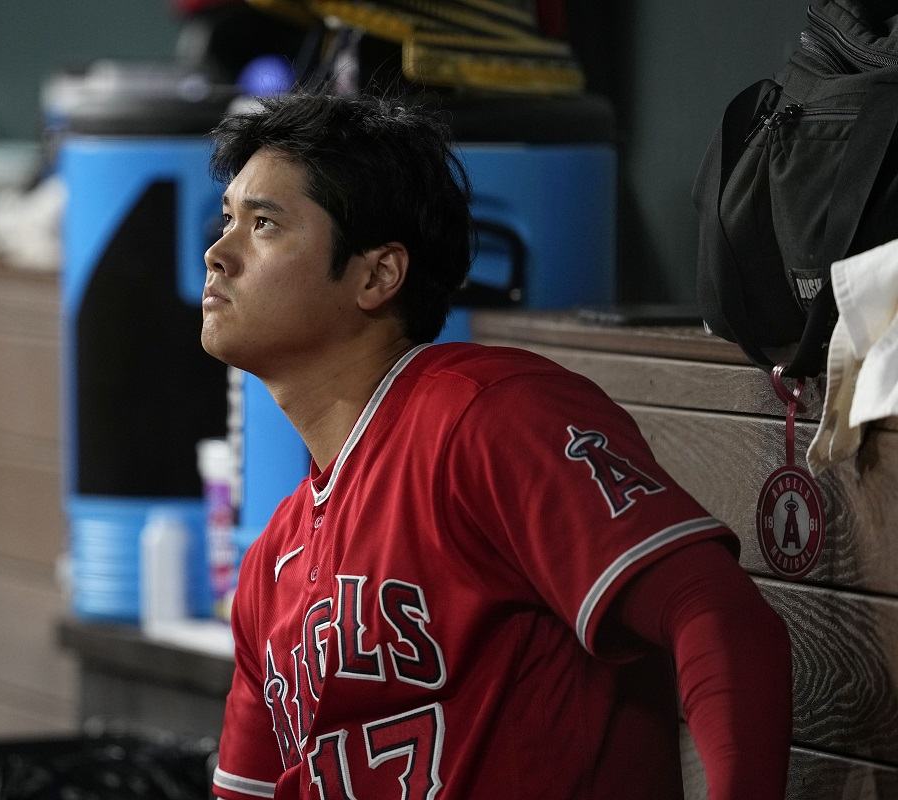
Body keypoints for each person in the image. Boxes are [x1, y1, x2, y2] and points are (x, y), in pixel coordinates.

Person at [200, 92, 791, 800]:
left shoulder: (487, 416)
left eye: (264, 224)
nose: (217, 252)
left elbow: (716, 613)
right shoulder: (273, 562)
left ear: (377, 274)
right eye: (229, 218)